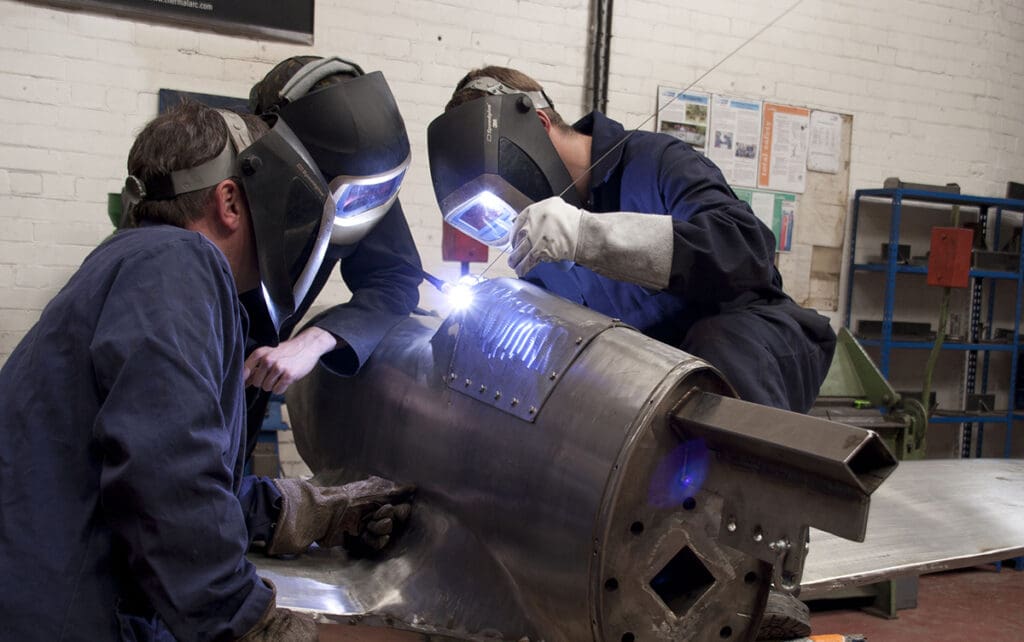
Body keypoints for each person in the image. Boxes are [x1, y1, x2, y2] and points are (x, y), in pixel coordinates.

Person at [0, 101, 411, 641]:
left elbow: (164, 467)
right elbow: (166, 476)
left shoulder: (130, 261)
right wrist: (250, 623)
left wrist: (314, 512)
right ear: (230, 201)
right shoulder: (180, 264)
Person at [429, 66, 835, 415]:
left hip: (753, 349)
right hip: (654, 377)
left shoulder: (655, 162)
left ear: (538, 125)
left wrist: (589, 236)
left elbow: (746, 252)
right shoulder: (545, 239)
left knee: (716, 347)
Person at [242, 56, 423, 447]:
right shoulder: (222, 192)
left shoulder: (358, 179)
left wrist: (317, 338)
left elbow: (394, 278)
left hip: (251, 393)